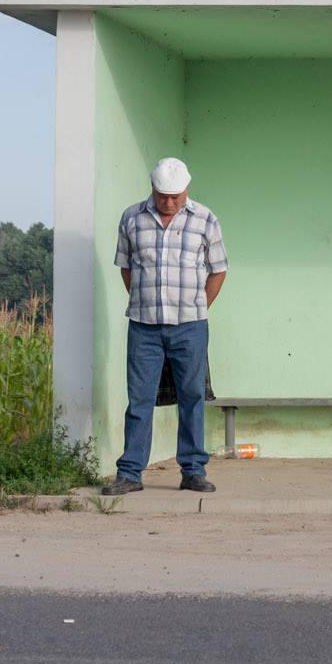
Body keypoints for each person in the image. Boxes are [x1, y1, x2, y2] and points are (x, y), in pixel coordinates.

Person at [100, 157, 228, 496]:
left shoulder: (205, 219)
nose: (169, 202)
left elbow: (218, 270)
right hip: (144, 327)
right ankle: (129, 473)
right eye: (162, 195)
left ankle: (193, 471)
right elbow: (126, 268)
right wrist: (145, 302)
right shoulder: (132, 218)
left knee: (192, 397)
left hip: (191, 326)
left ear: (186, 189)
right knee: (139, 400)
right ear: (152, 189)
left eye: (175, 196)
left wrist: (198, 307)